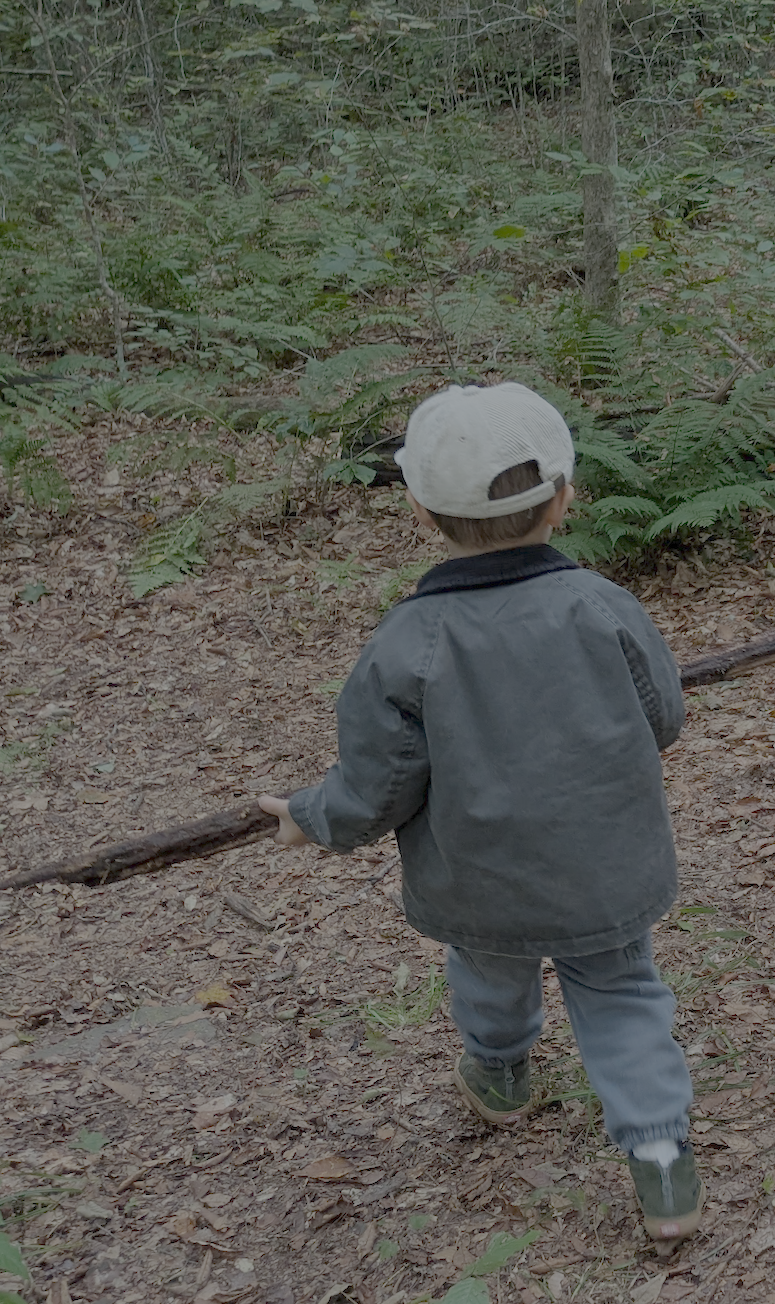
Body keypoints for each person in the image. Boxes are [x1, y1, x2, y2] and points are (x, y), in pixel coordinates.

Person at [259, 381, 703, 1242]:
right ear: (565, 499)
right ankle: (659, 1162)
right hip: (602, 869)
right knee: (622, 995)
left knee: (489, 970)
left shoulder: (407, 643)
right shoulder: (603, 606)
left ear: (421, 512)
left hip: (478, 875)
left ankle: (500, 1075)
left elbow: (376, 782)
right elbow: (665, 718)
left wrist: (312, 815)